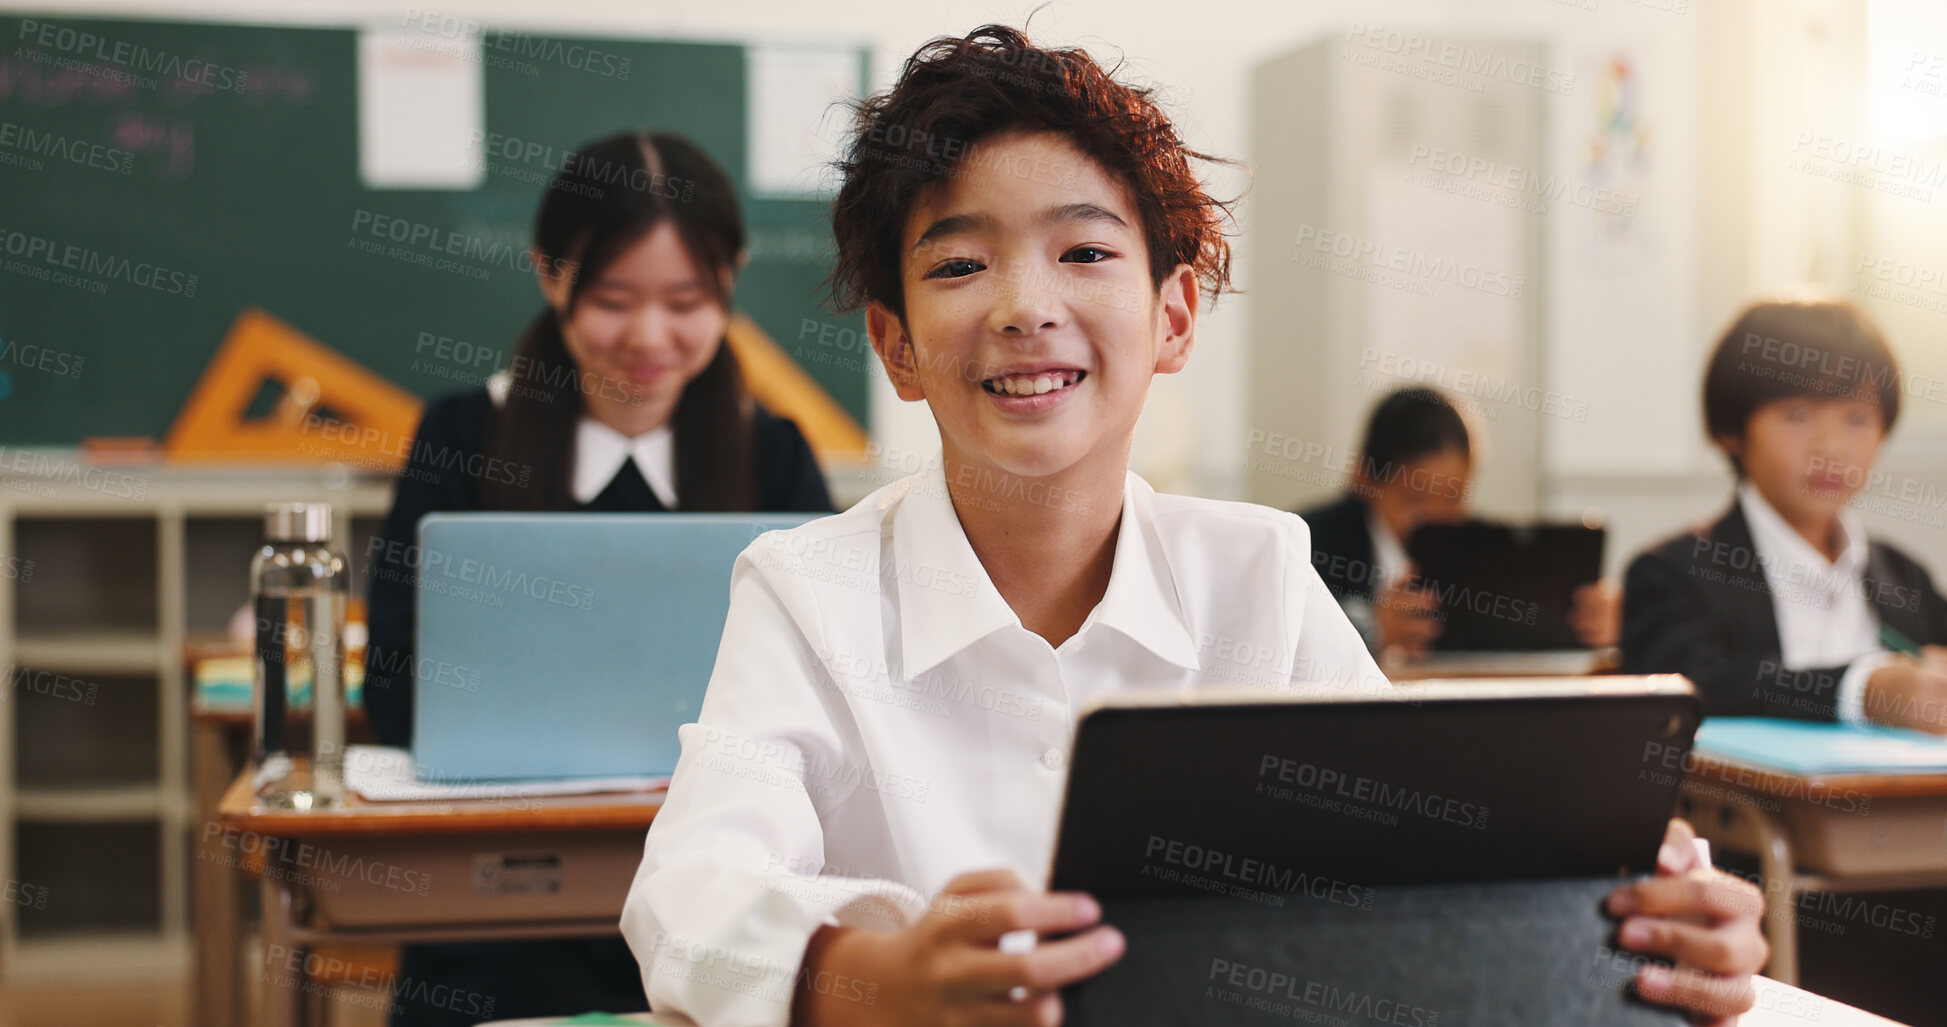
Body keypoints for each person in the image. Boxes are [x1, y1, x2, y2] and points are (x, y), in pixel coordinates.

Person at [622, 26, 1767, 1027]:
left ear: (1173, 317)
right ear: (899, 345)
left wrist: (1650, 915)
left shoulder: (1259, 572)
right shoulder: (805, 588)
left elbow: (1433, 849)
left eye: (1084, 251)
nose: (1026, 305)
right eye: (962, 263)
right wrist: (870, 981)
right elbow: (690, 888)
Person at [361, 131, 832, 1026]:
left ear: (729, 278)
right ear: (550, 274)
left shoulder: (771, 454)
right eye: (613, 300)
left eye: (687, 301)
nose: (649, 338)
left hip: (715, 895)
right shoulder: (463, 436)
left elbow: (828, 693)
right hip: (496, 900)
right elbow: (393, 680)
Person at [1621, 293, 1947, 730]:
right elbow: (1693, 687)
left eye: (1857, 418)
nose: (1831, 448)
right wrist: (1862, 691)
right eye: (1798, 415)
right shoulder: (1673, 574)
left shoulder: (1905, 577)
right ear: (1732, 433)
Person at [1301, 387, 1618, 658]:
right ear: (1363, 479)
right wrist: (1372, 630)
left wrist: (1599, 621)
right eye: (1415, 499)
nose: (1437, 515)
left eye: (1453, 498)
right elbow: (1287, 646)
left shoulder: (1492, 549)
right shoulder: (1309, 545)